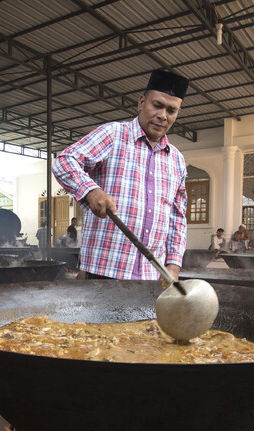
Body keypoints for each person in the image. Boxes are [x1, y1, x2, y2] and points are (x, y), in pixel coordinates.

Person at [52, 69, 189, 280]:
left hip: (150, 277)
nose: (163, 115)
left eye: (171, 110)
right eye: (157, 105)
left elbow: (177, 218)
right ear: (142, 102)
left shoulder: (177, 160)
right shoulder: (114, 134)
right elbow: (64, 160)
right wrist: (91, 191)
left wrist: (173, 265)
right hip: (103, 273)